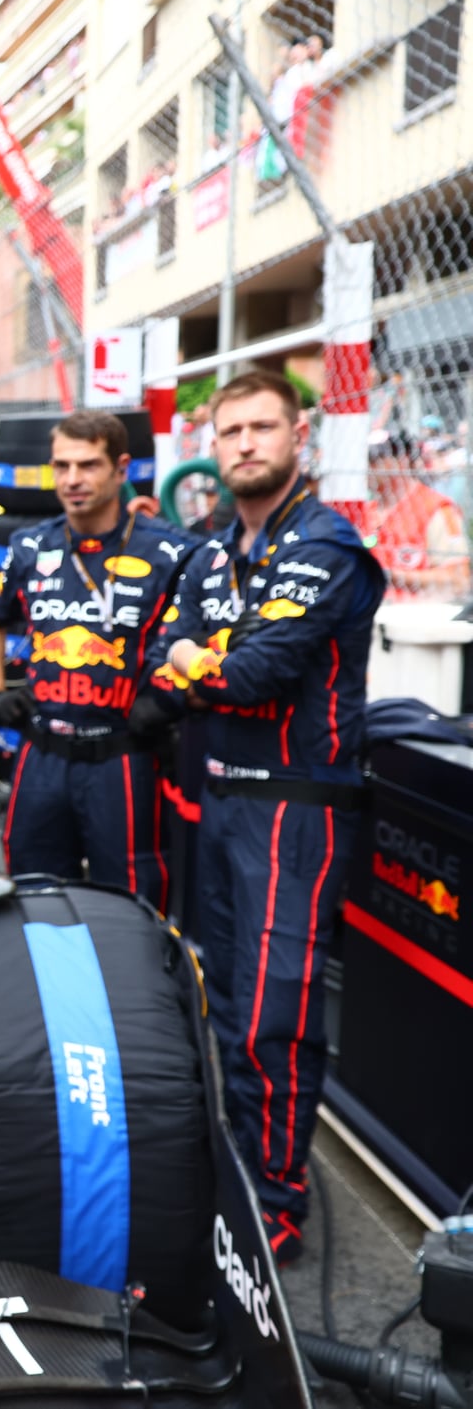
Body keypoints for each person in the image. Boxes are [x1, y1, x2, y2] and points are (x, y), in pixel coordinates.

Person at [138, 370, 383, 1264]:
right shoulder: (211, 552)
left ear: (299, 433)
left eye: (261, 427)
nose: (243, 443)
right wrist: (197, 659)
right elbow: (161, 663)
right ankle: (241, 1166)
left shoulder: (325, 546)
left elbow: (255, 672)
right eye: (229, 429)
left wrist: (204, 660)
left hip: (294, 808)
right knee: (226, 1000)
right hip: (221, 797)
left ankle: (275, 1205)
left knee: (271, 1017)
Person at [0, 409, 190, 906]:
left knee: (133, 902)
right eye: (61, 466)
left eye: (88, 465)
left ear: (121, 468)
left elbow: (213, 635)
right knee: (33, 896)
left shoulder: (171, 551)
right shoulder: (31, 545)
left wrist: (172, 695)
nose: (72, 480)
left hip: (125, 758)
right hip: (42, 754)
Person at [368, 434, 470, 600]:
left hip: (415, 615)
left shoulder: (436, 508)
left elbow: (458, 580)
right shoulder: (365, 510)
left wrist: (390, 576)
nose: (368, 466)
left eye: (374, 458)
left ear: (403, 460)